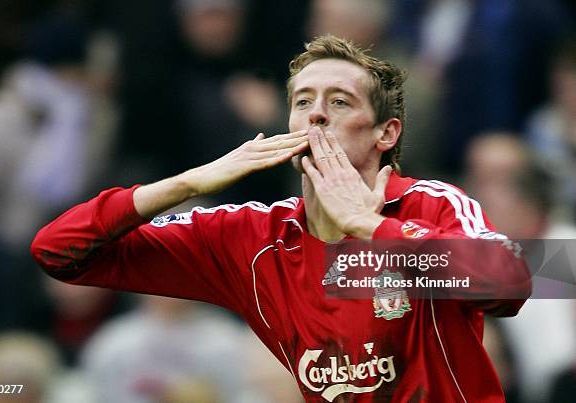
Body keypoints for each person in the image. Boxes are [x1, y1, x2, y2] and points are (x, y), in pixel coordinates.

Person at [31, 35, 531, 402]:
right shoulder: (251, 237)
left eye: (339, 102)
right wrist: (187, 183)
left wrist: (370, 226)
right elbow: (58, 251)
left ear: (386, 133)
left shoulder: (429, 203)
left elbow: (516, 280)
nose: (316, 115)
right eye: (302, 102)